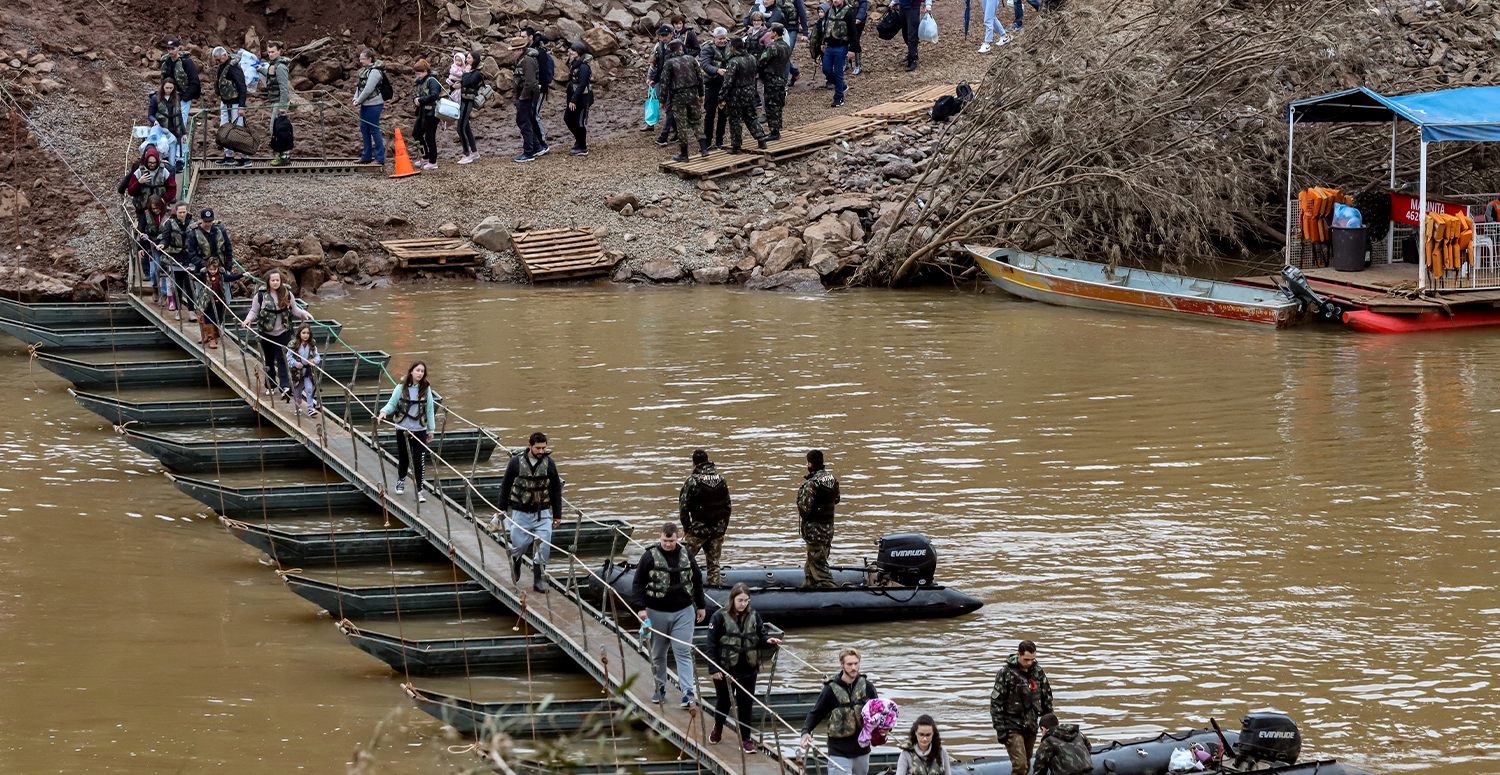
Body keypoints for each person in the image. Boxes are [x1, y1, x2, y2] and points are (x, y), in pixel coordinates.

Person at [632, 522, 708, 708]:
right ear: (660, 537)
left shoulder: (687, 555)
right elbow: (637, 584)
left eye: (671, 541)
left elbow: (697, 581)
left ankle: (688, 692)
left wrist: (701, 606)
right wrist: (641, 609)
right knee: (658, 654)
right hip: (656, 612)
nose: (668, 544)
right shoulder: (649, 557)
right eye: (665, 540)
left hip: (683, 611)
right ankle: (660, 688)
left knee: (683, 651)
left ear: (677, 539)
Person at [705, 582, 783, 752]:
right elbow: (710, 645)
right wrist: (713, 669)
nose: (743, 604)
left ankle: (746, 739)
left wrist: (769, 640)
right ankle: (718, 728)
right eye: (740, 600)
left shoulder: (754, 616)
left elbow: (761, 635)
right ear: (733, 599)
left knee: (746, 703)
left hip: (748, 668)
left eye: (747, 600)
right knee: (724, 701)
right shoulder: (718, 617)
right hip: (725, 668)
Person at [499, 432, 564, 592]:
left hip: (542, 513)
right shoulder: (516, 462)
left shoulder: (549, 464)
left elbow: (555, 490)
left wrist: (557, 515)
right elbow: (505, 486)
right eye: (538, 448)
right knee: (519, 545)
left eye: (544, 448)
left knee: (544, 547)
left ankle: (538, 581)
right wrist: (501, 510)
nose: (541, 451)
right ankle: (517, 560)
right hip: (520, 513)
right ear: (529, 446)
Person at [799, 648, 879, 775]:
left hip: (862, 750)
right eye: (849, 664)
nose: (854, 667)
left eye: (856, 663)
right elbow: (816, 713)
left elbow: (879, 712)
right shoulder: (830, 690)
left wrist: (886, 729)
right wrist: (805, 732)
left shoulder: (867, 687)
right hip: (838, 751)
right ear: (841, 664)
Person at [242, 267, 313, 398]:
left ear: (281, 281)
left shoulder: (287, 294)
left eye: (277, 280)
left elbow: (295, 310)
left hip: (284, 331)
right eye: (273, 280)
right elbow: (254, 312)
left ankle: (285, 386)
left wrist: (304, 313)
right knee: (268, 360)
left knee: (283, 359)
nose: (275, 282)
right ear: (268, 282)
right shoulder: (260, 296)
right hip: (266, 333)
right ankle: (270, 385)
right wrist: (248, 320)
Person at [989, 640, 1054, 775]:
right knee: (1020, 765)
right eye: (1026, 659)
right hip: (1012, 726)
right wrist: (999, 728)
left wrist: (1049, 721)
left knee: (1027, 764)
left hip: (1031, 725)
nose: (1029, 663)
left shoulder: (1038, 672)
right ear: (1018, 655)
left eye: (1032, 659)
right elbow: (996, 702)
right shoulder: (1005, 673)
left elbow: (1046, 696)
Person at [377, 362, 437, 502]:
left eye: (422, 371)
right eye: (417, 370)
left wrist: (431, 430)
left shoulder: (426, 390)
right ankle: (401, 479)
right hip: (403, 429)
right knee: (404, 459)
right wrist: (383, 412)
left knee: (418, 461)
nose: (420, 373)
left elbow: (429, 410)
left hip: (420, 430)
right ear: (411, 372)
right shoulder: (401, 388)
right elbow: (392, 403)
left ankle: (419, 490)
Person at [679, 449, 731, 585]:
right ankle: (714, 590)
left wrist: (687, 528)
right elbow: (728, 507)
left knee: (683, 562)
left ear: (693, 464)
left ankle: (682, 589)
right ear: (708, 461)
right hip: (717, 530)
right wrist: (723, 530)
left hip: (698, 530)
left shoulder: (692, 481)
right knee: (714, 564)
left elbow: (683, 507)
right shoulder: (721, 480)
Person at [797, 448, 840, 587]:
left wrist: (799, 498)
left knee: (821, 572)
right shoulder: (832, 480)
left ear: (809, 464)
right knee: (811, 568)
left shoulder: (811, 483)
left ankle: (836, 598)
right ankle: (808, 589)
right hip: (828, 531)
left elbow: (804, 509)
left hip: (815, 533)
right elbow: (837, 499)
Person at [185, 208, 233, 328]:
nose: (208, 223)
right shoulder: (193, 234)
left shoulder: (220, 230)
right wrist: (205, 265)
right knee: (202, 299)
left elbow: (228, 248)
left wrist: (229, 265)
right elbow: (191, 254)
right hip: (202, 270)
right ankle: (206, 326)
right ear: (201, 220)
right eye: (206, 221)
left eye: (210, 221)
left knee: (224, 296)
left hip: (221, 269)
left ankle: (221, 322)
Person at [720, 38, 767, 154]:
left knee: (735, 120)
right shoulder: (751, 58)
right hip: (750, 92)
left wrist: (721, 97)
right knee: (751, 116)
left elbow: (727, 82)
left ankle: (736, 147)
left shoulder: (733, 62)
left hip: (736, 95)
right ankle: (761, 139)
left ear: (733, 48)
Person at [660, 40, 705, 161]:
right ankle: (704, 147)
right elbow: (700, 77)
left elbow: (664, 83)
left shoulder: (668, 63)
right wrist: (701, 93)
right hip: (693, 93)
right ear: (681, 48)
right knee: (696, 120)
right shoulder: (691, 59)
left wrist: (662, 100)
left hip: (678, 96)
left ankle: (684, 153)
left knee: (681, 124)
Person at [191, 256, 241, 350]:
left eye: (215, 269)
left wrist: (242, 275)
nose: (212, 271)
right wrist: (191, 272)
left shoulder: (221, 275)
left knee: (219, 318)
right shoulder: (204, 274)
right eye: (210, 269)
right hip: (207, 300)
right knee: (208, 317)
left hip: (218, 300)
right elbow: (196, 277)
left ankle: (214, 335)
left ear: (218, 268)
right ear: (207, 268)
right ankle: (211, 338)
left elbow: (230, 277)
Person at [212, 46, 250, 167]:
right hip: (225, 102)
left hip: (235, 103)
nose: (218, 62)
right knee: (224, 129)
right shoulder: (222, 67)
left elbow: (242, 88)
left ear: (224, 55)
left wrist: (241, 106)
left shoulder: (234, 68)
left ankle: (245, 157)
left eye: (219, 59)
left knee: (238, 130)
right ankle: (229, 156)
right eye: (216, 60)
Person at [811, 0, 855, 106]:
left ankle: (839, 97)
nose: (835, 0)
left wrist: (852, 49)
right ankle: (842, 86)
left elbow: (853, 31)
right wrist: (823, 42)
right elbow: (826, 27)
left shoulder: (849, 12)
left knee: (838, 72)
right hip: (829, 46)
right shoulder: (830, 10)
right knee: (826, 69)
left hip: (841, 46)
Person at [124, 147, 175, 238]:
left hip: (160, 208)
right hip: (143, 208)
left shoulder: (164, 172)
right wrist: (139, 182)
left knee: (165, 227)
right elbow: (130, 191)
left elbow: (173, 188)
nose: (152, 165)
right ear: (146, 161)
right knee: (141, 229)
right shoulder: (139, 172)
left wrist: (165, 199)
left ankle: (162, 244)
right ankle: (142, 249)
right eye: (150, 163)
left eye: (154, 163)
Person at [699, 28, 732, 151]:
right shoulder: (707, 48)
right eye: (720, 39)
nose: (723, 41)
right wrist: (717, 70)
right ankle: (707, 140)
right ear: (714, 38)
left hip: (725, 85)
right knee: (710, 113)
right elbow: (705, 65)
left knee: (723, 113)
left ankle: (719, 140)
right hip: (712, 84)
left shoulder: (729, 45)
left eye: (724, 38)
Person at [157, 201, 193, 313]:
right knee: (177, 285)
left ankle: (192, 310)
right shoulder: (170, 223)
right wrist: (163, 244)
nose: (182, 214)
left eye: (184, 212)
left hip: (189, 258)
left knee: (189, 285)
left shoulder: (193, 222)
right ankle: (178, 309)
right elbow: (165, 237)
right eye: (180, 212)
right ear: (176, 212)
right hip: (175, 258)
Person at [159, 39, 201, 135]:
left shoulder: (187, 62)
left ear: (178, 48)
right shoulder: (166, 63)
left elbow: (194, 82)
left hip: (183, 98)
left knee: (181, 125)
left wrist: (185, 98)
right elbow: (163, 81)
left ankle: (182, 149)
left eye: (172, 49)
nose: (170, 51)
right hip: (168, 98)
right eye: (168, 49)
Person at [352, 49, 386, 164]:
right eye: (360, 58)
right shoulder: (364, 71)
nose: (361, 61)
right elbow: (359, 87)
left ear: (369, 59)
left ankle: (379, 158)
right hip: (365, 105)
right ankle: (366, 156)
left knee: (374, 130)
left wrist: (359, 100)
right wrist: (355, 98)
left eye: (363, 58)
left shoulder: (375, 71)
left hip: (374, 104)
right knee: (364, 129)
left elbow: (368, 89)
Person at [758, 24, 791, 141]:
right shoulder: (786, 46)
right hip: (780, 77)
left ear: (775, 33)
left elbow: (762, 61)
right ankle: (776, 128)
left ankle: (774, 131)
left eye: (771, 32)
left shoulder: (773, 47)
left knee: (772, 106)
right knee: (778, 104)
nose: (769, 34)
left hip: (771, 79)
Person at [646, 25, 677, 147]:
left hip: (675, 82)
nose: (664, 38)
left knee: (669, 107)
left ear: (671, 34)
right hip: (662, 80)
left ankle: (664, 136)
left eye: (666, 35)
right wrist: (650, 77)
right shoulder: (658, 47)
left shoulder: (677, 46)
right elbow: (654, 63)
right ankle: (677, 132)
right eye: (661, 36)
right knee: (666, 105)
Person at [259, 41, 291, 160]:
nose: (270, 54)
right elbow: (270, 73)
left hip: (279, 101)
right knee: (276, 128)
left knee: (277, 129)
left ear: (279, 51)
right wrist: (260, 69)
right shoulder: (273, 65)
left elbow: (284, 88)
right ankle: (282, 154)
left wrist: (282, 105)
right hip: (275, 100)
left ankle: (283, 155)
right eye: (269, 52)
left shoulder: (281, 67)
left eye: (273, 52)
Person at [512, 44, 543, 162]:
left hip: (526, 97)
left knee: (524, 122)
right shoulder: (524, 59)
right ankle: (536, 147)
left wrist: (522, 97)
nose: (513, 52)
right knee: (527, 121)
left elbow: (530, 82)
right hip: (527, 96)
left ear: (520, 49)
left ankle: (529, 152)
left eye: (514, 50)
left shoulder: (527, 60)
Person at [563, 42, 593, 156]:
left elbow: (582, 85)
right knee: (568, 118)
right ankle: (579, 139)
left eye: (573, 50)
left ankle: (583, 146)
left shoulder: (584, 67)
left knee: (579, 122)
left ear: (579, 52)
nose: (571, 52)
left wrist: (573, 100)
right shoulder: (575, 63)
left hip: (582, 99)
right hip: (574, 97)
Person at [412, 60, 443, 169]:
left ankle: (433, 161)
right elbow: (416, 94)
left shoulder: (432, 81)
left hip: (432, 113)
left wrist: (421, 99)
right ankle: (425, 156)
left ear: (425, 71)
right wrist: (415, 99)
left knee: (430, 136)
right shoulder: (420, 82)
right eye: (416, 74)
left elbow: (434, 95)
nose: (417, 76)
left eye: (419, 73)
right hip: (422, 112)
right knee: (416, 133)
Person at [528, 29, 555, 152]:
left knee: (535, 115)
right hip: (534, 88)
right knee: (532, 115)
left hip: (539, 89)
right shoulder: (534, 51)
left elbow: (542, 73)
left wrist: (541, 88)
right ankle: (537, 142)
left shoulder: (540, 53)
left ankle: (542, 143)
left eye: (523, 36)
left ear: (531, 37)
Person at [286, 323, 322, 416]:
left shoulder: (312, 344)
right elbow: (288, 357)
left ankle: (310, 408)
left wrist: (313, 360)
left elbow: (317, 356)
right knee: (298, 390)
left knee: (309, 388)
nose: (306, 335)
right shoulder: (293, 344)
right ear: (299, 334)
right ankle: (298, 407)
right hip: (297, 371)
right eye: (303, 333)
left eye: (308, 333)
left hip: (308, 371)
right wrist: (296, 363)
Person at [135, 195, 168, 295]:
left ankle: (165, 292)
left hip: (166, 243)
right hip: (153, 244)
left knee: (166, 270)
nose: (156, 210)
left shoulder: (168, 213)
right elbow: (141, 231)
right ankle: (155, 286)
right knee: (154, 270)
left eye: (158, 208)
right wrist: (141, 248)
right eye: (154, 208)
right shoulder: (146, 215)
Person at [152, 80, 187, 172]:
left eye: (171, 88)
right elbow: (150, 115)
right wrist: (155, 121)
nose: (169, 90)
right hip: (162, 132)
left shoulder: (176, 98)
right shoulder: (155, 98)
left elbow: (179, 117)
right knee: (161, 155)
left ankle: (172, 178)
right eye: (167, 88)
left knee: (172, 161)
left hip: (174, 132)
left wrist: (184, 133)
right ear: (163, 87)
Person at [456, 51, 485, 164]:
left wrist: (466, 72)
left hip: (468, 101)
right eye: (466, 58)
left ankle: (466, 154)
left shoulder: (477, 73)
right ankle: (474, 151)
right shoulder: (465, 70)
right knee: (466, 127)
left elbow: (468, 82)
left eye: (469, 58)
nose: (466, 60)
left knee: (460, 128)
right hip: (461, 100)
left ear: (474, 60)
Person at [895, 0, 933, 71]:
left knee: (912, 33)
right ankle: (912, 52)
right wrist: (893, 1)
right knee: (905, 33)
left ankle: (912, 59)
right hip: (902, 7)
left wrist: (928, 5)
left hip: (913, 7)